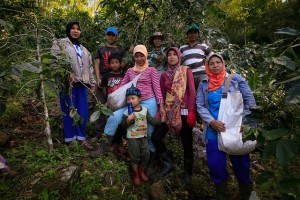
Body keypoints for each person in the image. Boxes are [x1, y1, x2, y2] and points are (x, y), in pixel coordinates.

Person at [196, 54, 256, 200]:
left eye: (218, 62)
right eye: (212, 63)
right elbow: (200, 105)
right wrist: (211, 121)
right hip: (213, 131)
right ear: (207, 66)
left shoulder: (236, 80)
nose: (215, 65)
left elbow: (250, 101)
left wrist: (246, 124)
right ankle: (222, 194)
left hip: (235, 130)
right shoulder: (204, 83)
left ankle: (246, 193)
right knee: (216, 165)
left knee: (241, 164)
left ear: (224, 64)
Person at [90, 45, 166, 157]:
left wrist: (161, 106)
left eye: (142, 56)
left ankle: (151, 159)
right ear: (133, 57)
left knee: (148, 132)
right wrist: (110, 101)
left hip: (148, 102)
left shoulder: (152, 70)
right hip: (131, 103)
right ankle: (103, 146)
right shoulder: (130, 71)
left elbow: (157, 90)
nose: (139, 59)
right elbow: (121, 88)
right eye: (137, 56)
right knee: (113, 117)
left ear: (146, 56)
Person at [151, 47, 196, 182]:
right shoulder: (164, 75)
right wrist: (161, 111)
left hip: (183, 111)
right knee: (156, 137)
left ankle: (188, 172)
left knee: (186, 142)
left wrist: (191, 111)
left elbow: (192, 92)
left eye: (174, 55)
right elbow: (162, 95)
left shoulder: (185, 71)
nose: (171, 57)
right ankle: (168, 163)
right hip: (169, 112)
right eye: (169, 55)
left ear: (179, 57)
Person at [51, 22, 95, 150]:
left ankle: (81, 138)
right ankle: (70, 139)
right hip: (67, 84)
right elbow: (54, 62)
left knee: (82, 111)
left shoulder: (84, 49)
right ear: (68, 30)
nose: (75, 31)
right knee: (69, 110)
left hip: (82, 84)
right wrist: (65, 73)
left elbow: (90, 68)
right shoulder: (60, 44)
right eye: (73, 28)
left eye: (78, 29)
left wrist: (92, 83)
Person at [122, 85, 163, 186]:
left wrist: (161, 120)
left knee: (146, 154)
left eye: (132, 98)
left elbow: (151, 120)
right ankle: (135, 174)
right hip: (132, 138)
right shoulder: (127, 112)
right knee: (134, 156)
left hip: (143, 137)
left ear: (140, 99)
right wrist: (127, 120)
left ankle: (141, 170)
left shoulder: (144, 110)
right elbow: (123, 126)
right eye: (128, 99)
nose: (130, 101)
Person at [94, 27, 125, 137]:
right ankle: (99, 134)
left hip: (116, 82)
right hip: (103, 80)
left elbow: (124, 65)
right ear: (106, 35)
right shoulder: (101, 49)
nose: (110, 37)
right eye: (109, 35)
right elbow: (97, 64)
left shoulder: (120, 50)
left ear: (116, 37)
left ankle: (116, 136)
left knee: (116, 107)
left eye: (113, 35)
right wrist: (98, 78)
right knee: (101, 106)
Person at [100, 53, 126, 153]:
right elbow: (104, 89)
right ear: (109, 64)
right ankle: (109, 143)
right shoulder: (107, 76)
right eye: (112, 63)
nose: (114, 65)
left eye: (117, 62)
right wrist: (107, 100)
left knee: (119, 124)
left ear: (120, 64)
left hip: (121, 103)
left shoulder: (124, 76)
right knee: (110, 120)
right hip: (111, 103)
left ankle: (117, 143)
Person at [179, 24, 213, 89]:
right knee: (192, 95)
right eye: (191, 33)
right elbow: (176, 60)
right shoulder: (182, 48)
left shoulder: (203, 46)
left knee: (204, 90)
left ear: (198, 34)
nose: (193, 35)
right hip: (188, 75)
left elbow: (213, 56)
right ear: (187, 35)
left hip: (202, 74)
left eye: (195, 33)